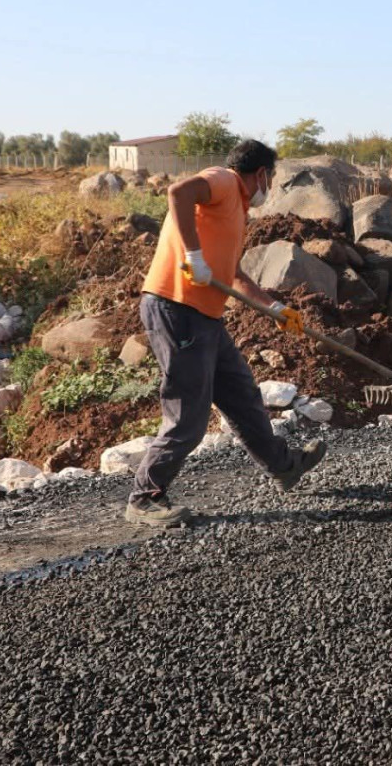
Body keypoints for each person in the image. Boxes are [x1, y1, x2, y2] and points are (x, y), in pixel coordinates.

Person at [129, 139, 326, 526]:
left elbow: (235, 273)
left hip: (204, 316)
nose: (269, 186)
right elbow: (178, 193)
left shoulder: (236, 209)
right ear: (262, 174)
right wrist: (193, 256)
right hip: (176, 306)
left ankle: (284, 465)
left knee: (242, 395)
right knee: (188, 413)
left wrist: (275, 308)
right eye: (271, 177)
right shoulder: (222, 180)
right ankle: (144, 497)